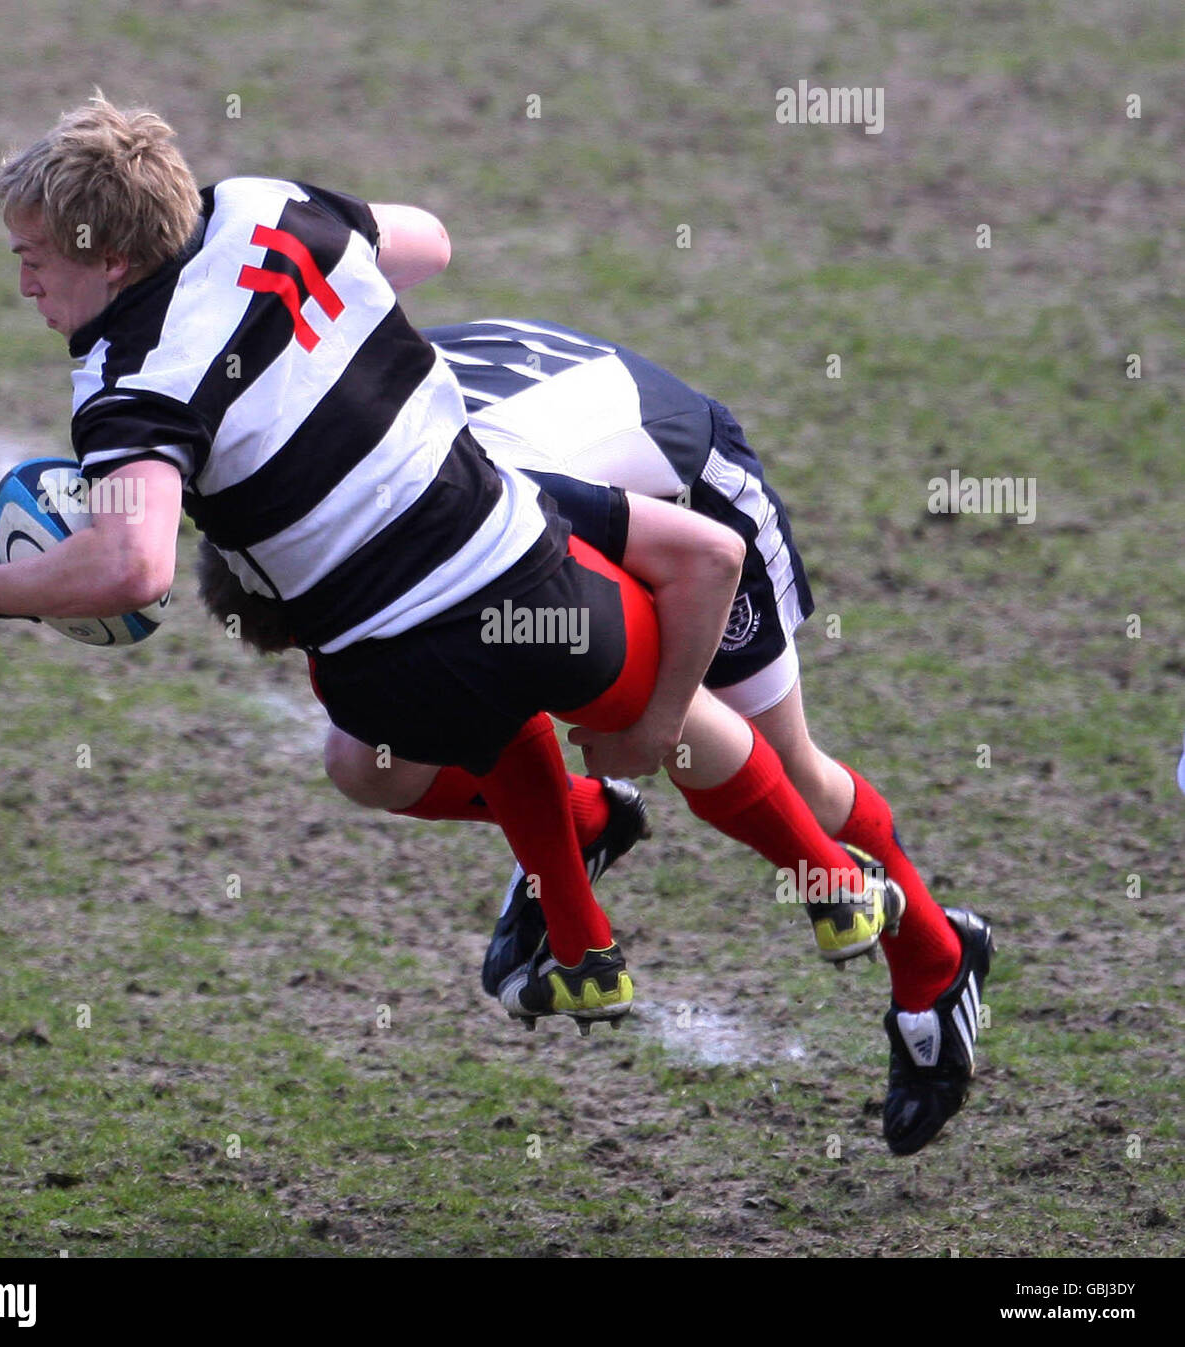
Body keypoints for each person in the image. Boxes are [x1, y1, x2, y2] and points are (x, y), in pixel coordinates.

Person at [0, 95, 866, 1042]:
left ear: (108, 255)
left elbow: (134, 568)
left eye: (33, 258)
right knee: (649, 701)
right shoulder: (263, 207)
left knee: (473, 721)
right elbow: (427, 244)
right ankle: (836, 887)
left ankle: (606, 934)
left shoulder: (129, 386)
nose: (24, 284)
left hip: (409, 646)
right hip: (521, 561)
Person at [307, 317, 995, 1156]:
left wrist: (656, 723)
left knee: (778, 774)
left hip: (684, 493)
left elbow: (706, 559)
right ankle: (590, 819)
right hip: (544, 498)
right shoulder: (334, 468)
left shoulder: (455, 495)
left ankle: (935, 956)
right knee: (364, 756)